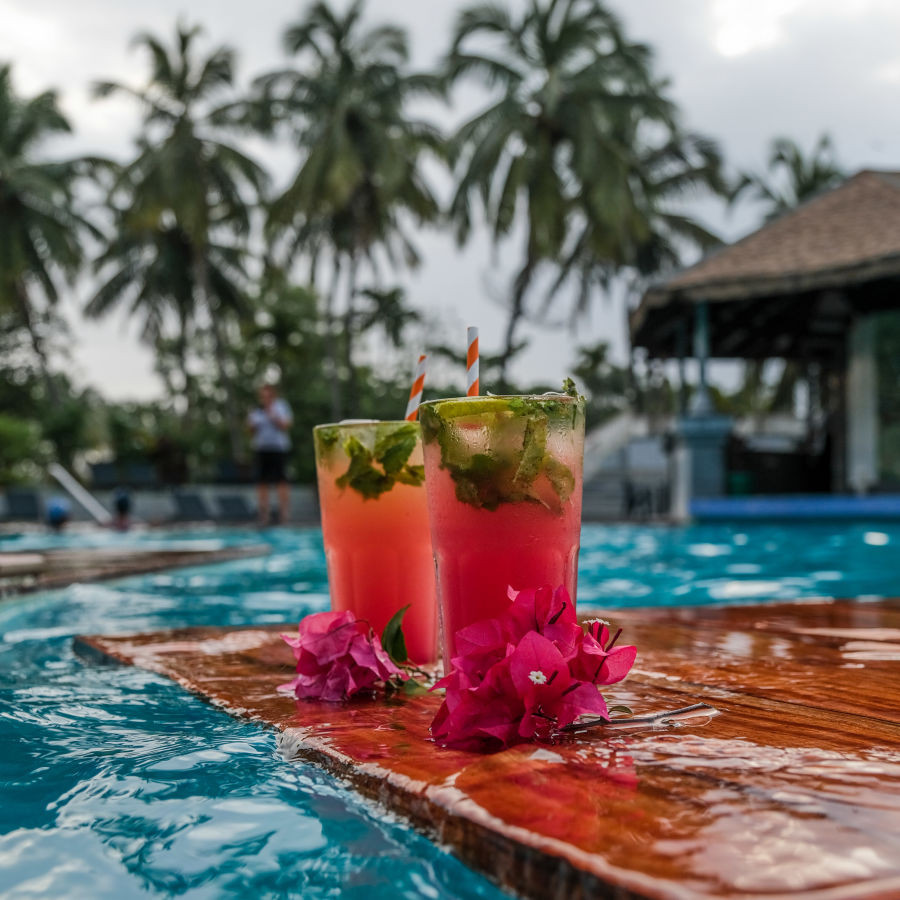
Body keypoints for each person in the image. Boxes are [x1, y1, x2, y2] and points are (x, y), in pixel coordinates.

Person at [247, 383, 293, 525]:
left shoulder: (281, 406)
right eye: (263, 395)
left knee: (281, 480)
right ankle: (264, 516)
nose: (265, 397)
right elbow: (249, 430)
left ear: (273, 394)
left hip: (278, 449)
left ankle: (284, 515)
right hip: (261, 449)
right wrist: (252, 425)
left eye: (268, 395)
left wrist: (272, 415)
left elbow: (286, 425)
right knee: (261, 482)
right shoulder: (256, 410)